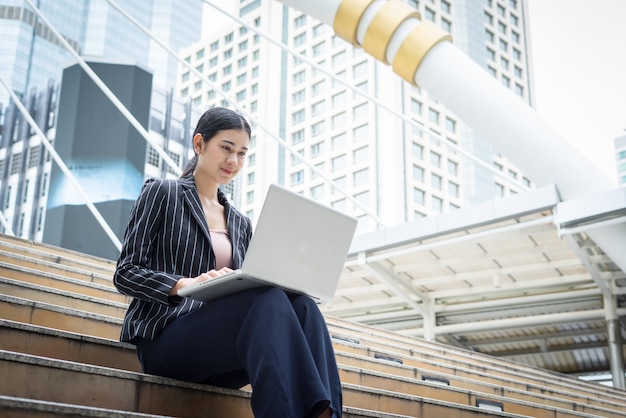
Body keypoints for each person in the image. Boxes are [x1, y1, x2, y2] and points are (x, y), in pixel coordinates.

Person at [113, 107, 342, 417]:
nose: (233, 161)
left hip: (223, 351)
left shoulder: (240, 222)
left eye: (242, 153)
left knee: (304, 305)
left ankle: (328, 413)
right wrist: (184, 285)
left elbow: (251, 289)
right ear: (199, 144)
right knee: (269, 299)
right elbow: (126, 272)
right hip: (167, 340)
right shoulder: (163, 194)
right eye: (226, 148)